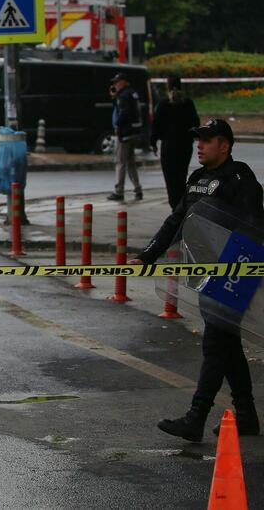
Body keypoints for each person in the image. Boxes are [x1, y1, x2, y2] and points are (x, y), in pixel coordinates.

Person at [131, 119, 264, 441]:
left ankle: (196, 417)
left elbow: (252, 227)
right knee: (227, 344)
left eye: (207, 140)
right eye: (198, 140)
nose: (199, 146)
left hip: (234, 272)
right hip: (205, 274)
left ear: (225, 145)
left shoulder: (239, 177)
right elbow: (176, 220)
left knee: (216, 344)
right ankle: (245, 415)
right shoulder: (197, 179)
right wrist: (147, 255)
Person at [151, 75, 200, 209]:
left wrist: (153, 142)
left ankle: (175, 206)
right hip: (185, 146)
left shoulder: (163, 104)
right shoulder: (188, 103)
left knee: (170, 178)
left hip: (168, 146)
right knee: (181, 176)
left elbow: (156, 125)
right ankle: (182, 204)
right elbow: (195, 123)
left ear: (167, 86)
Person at [107, 73, 143, 201]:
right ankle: (138, 189)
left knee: (120, 162)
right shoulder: (133, 93)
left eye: (117, 82)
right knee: (131, 163)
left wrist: (118, 126)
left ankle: (119, 191)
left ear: (124, 82)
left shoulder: (123, 96)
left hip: (125, 134)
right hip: (135, 132)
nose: (115, 84)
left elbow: (124, 112)